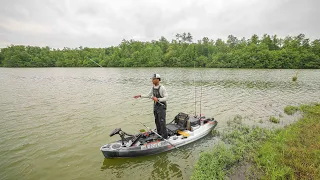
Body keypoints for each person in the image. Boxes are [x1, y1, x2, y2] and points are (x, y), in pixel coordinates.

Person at [134, 74, 168, 139]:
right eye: (152, 79)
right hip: (155, 106)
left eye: (153, 79)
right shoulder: (153, 87)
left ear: (157, 80)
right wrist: (140, 95)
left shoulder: (162, 88)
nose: (152, 80)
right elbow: (149, 95)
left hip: (162, 107)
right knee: (156, 121)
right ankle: (159, 134)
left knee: (162, 122)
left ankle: (165, 137)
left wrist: (158, 99)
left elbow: (166, 97)